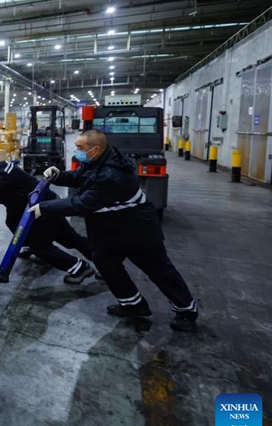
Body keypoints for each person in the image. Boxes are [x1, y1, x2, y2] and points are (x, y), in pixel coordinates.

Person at [28, 129, 198, 331]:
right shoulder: (98, 160)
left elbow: (82, 203)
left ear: (95, 149)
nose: (77, 151)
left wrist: (45, 209)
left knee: (159, 270)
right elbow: (80, 176)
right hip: (111, 230)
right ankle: (132, 304)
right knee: (105, 263)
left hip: (137, 231)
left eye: (80, 148)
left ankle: (186, 310)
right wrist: (58, 175)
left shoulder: (112, 174)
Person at [0, 148, 95, 284]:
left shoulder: (3, 175)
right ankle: (104, 263)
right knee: (14, 221)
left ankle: (80, 268)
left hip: (43, 208)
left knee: (43, 246)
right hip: (38, 205)